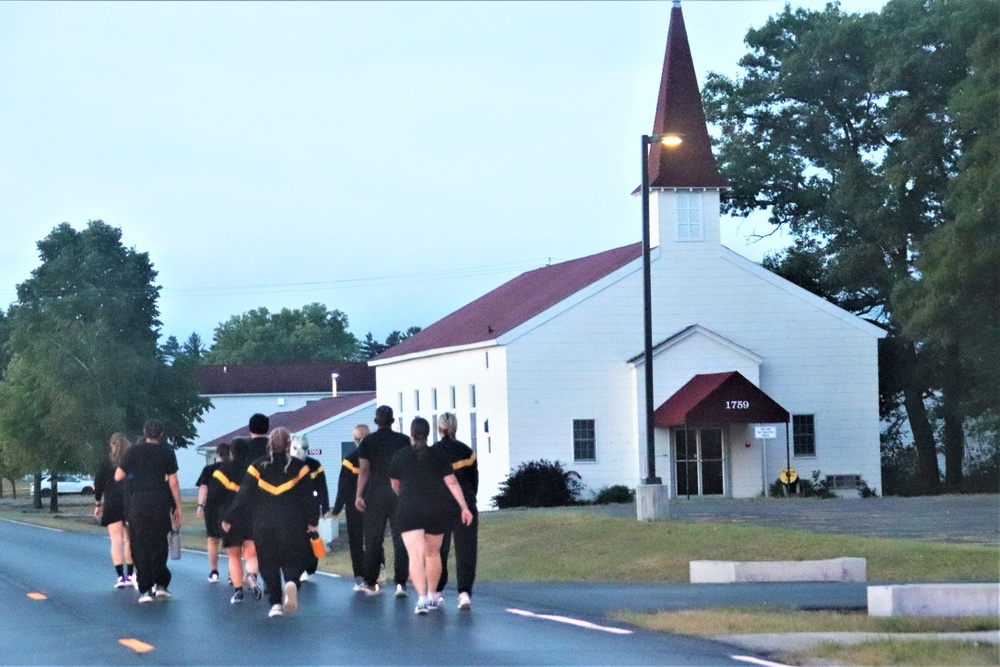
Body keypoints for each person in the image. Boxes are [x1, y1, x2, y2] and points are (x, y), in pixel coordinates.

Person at [223, 427, 318, 618]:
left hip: (263, 521)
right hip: (292, 520)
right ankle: (291, 581)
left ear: (269, 444)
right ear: (289, 444)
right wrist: (312, 521)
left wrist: (229, 518)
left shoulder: (257, 466)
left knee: (268, 561)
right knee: (293, 556)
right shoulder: (300, 468)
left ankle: (275, 603)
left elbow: (243, 496)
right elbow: (309, 498)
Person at [389, 417, 473, 615]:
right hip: (436, 509)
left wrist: (404, 496)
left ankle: (422, 598)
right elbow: (452, 483)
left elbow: (394, 484)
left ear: (411, 434)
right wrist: (464, 507)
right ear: (428, 434)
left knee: (415, 554)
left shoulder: (400, 456)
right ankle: (433, 594)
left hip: (409, 509)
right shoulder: (439, 456)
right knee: (433, 553)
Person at [115, 419, 182, 604]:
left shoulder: (134, 451)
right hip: (160, 502)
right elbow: (173, 482)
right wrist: (178, 507)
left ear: (145, 432)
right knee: (159, 543)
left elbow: (118, 475)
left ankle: (145, 589)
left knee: (140, 544)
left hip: (138, 503)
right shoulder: (167, 452)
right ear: (161, 434)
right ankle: (161, 585)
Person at [354, 405, 411, 596]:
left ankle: (370, 581)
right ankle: (401, 583)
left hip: (375, 494)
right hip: (399, 494)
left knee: (373, 539)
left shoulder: (367, 442)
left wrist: (359, 495)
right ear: (393, 420)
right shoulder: (403, 441)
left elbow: (364, 470)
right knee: (400, 538)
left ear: (376, 421)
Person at [433, 413, 479, 610]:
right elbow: (473, 482)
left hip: (440, 506)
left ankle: (437, 591)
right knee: (466, 550)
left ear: (439, 429)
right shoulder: (467, 452)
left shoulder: (432, 453)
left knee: (437, 550)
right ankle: (464, 594)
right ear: (455, 428)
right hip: (465, 505)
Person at [213, 437, 262, 603]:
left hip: (229, 517)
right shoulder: (254, 470)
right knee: (250, 552)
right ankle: (252, 577)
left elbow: (214, 496)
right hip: (251, 515)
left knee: (233, 556)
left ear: (231, 453)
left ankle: (238, 591)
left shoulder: (222, 471)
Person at [93, 432, 135, 589]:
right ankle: (131, 574)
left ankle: (120, 576)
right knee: (129, 540)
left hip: (112, 501)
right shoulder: (131, 461)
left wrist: (98, 503)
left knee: (116, 540)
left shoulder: (106, 463)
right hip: (129, 500)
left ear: (112, 445)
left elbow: (99, 483)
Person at [331, 424, 368, 590]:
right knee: (374, 539)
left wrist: (336, 510)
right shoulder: (375, 457)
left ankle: (359, 576)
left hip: (353, 506)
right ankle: (377, 571)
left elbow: (343, 486)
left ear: (356, 440)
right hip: (373, 504)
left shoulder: (350, 459)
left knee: (356, 542)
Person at [289, 434, 330, 582]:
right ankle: (298, 568)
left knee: (311, 537)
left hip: (310, 508)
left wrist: (325, 506)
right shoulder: (286, 464)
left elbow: (322, 487)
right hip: (292, 509)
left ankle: (310, 567)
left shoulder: (314, 465)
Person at [196, 442, 231, 583]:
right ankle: (232, 572)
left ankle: (214, 571)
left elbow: (203, 487)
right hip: (229, 507)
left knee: (212, 539)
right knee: (231, 542)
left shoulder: (209, 469)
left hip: (212, 506)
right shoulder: (234, 468)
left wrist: (200, 505)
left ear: (217, 454)